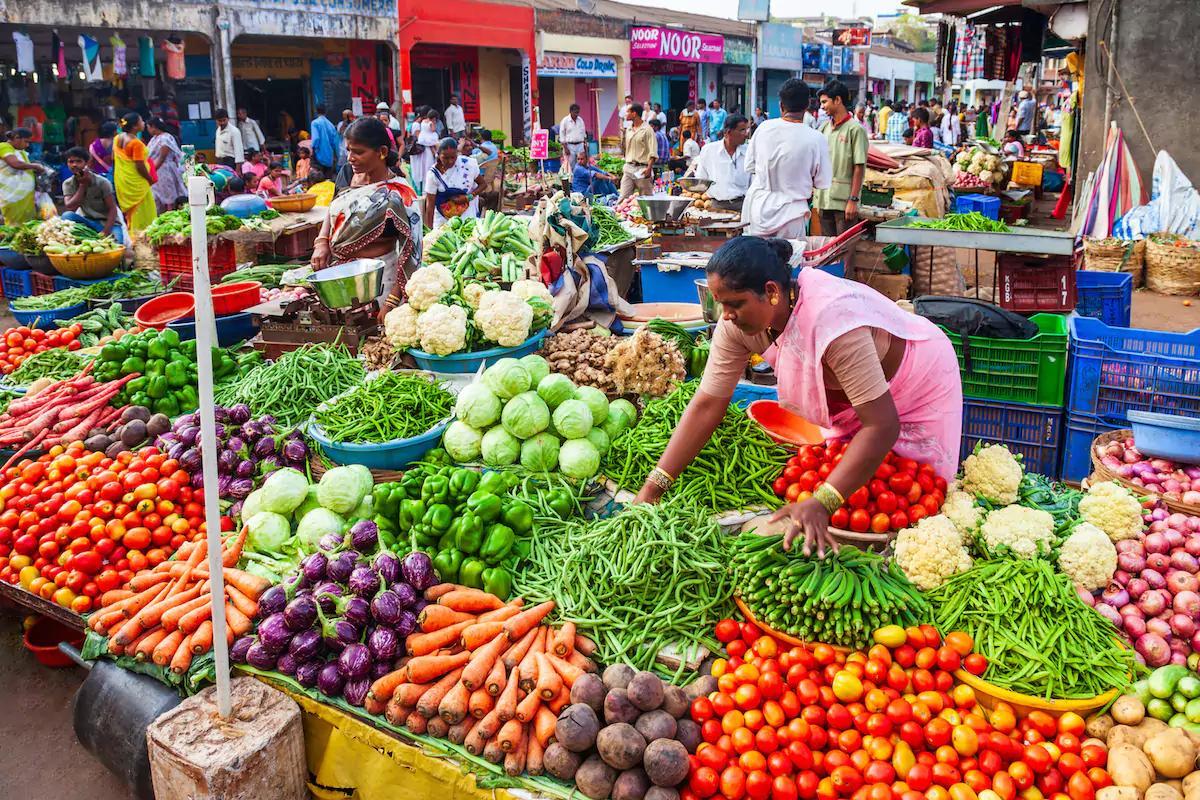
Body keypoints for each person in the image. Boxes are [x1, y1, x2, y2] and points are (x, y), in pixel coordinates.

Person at [636, 241, 963, 552]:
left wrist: (823, 501)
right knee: (860, 487)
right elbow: (708, 404)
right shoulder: (736, 326)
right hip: (853, 401)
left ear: (771, 292)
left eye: (735, 304)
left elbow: (881, 426)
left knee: (917, 497)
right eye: (720, 303)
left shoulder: (832, 320)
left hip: (917, 382)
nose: (726, 315)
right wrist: (654, 488)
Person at [311, 117, 421, 322]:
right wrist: (322, 242)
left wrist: (392, 301)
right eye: (349, 150)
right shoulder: (345, 173)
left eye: (358, 152)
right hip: (339, 277)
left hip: (379, 281)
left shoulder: (399, 193)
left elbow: (413, 251)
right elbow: (333, 207)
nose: (350, 157)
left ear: (382, 152)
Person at [743, 79, 832, 238]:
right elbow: (822, 182)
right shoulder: (817, 138)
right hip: (792, 215)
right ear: (807, 106)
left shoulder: (763, 128)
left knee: (755, 261)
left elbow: (750, 166)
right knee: (789, 261)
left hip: (757, 212)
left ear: (781, 105)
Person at [814, 80, 868, 249]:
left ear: (837, 100)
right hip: (823, 199)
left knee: (845, 251)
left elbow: (859, 166)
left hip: (844, 201)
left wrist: (853, 199)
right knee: (827, 249)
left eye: (825, 102)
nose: (822, 107)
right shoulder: (823, 128)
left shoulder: (855, 130)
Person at [423, 137, 484, 231]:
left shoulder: (467, 165)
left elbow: (483, 184)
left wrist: (468, 197)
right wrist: (429, 231)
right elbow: (430, 205)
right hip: (443, 221)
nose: (450, 161)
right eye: (445, 158)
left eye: (453, 157)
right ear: (438, 155)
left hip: (467, 218)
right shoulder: (433, 175)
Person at [62, 147, 123, 242]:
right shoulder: (68, 183)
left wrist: (105, 232)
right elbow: (70, 206)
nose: (74, 165)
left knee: (117, 244)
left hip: (107, 223)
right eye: (71, 162)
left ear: (87, 163)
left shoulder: (102, 182)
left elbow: (112, 209)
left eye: (79, 161)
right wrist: (83, 185)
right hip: (87, 222)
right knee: (67, 216)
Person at [692, 114, 750, 205]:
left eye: (747, 129)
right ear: (728, 132)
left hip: (743, 205)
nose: (746, 134)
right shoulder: (709, 151)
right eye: (742, 130)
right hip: (716, 206)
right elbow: (701, 179)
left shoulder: (749, 152)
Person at [112, 112, 156, 232]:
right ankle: (140, 237)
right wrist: (149, 179)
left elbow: (114, 158)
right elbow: (139, 165)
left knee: (132, 212)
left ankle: (133, 235)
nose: (144, 123)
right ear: (135, 126)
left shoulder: (117, 138)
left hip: (124, 181)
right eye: (141, 121)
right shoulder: (136, 143)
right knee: (144, 212)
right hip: (137, 183)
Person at [0, 129, 48, 224]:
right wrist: (35, 166)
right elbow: (15, 164)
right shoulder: (4, 147)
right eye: (26, 141)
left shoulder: (19, 151)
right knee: (13, 226)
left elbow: (24, 167)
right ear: (17, 137)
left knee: (26, 227)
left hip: (25, 197)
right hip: (12, 196)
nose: (27, 145)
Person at [147, 116, 185, 215]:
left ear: (153, 127)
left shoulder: (165, 138)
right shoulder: (154, 138)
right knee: (157, 196)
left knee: (169, 197)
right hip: (156, 170)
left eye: (149, 127)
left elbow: (162, 157)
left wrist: (151, 171)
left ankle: (170, 216)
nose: (148, 130)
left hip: (164, 170)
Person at [619, 103, 656, 200]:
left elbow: (653, 151)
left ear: (634, 113)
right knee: (623, 198)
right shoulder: (629, 129)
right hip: (629, 168)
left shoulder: (647, 130)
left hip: (642, 169)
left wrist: (649, 168)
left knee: (646, 200)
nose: (625, 114)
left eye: (628, 112)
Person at [409, 109, 440, 194]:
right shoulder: (431, 123)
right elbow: (433, 130)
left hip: (423, 142)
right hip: (429, 143)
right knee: (428, 166)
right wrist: (434, 125)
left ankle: (422, 188)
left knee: (423, 167)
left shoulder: (422, 122)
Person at [310, 105, 340, 171]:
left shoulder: (315, 123)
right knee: (328, 177)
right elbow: (335, 142)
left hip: (318, 154)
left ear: (316, 111)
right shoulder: (330, 124)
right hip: (329, 156)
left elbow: (315, 139)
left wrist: (312, 149)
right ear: (325, 112)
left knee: (317, 177)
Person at [558, 104, 588, 171]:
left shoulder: (580, 120)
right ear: (571, 111)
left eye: (578, 112)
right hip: (569, 145)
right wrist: (565, 148)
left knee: (581, 163)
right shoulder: (565, 121)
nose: (577, 114)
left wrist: (585, 146)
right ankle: (571, 180)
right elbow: (562, 135)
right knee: (570, 164)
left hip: (580, 145)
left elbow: (584, 134)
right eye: (575, 112)